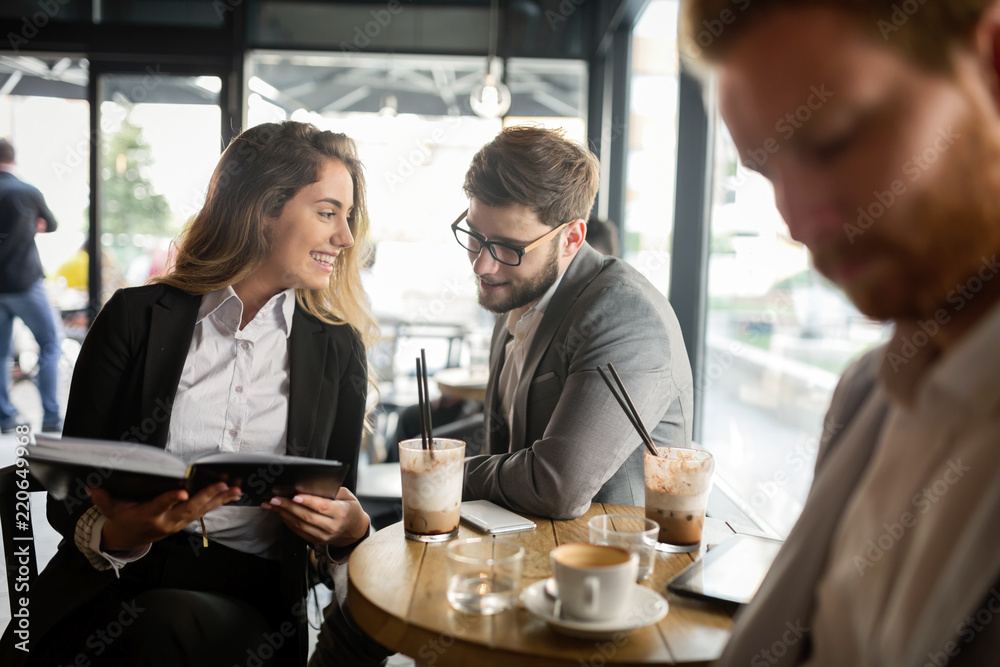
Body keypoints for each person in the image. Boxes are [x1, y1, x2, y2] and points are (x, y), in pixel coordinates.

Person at [681, 1, 1000, 664]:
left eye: (833, 141)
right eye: (767, 172)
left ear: (991, 65)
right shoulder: (867, 395)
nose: (800, 220)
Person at [0, 121, 377, 666]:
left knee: (163, 627)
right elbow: (74, 489)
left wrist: (349, 533)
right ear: (263, 209)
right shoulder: (133, 319)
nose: (344, 236)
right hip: (112, 574)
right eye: (327, 212)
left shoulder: (337, 350)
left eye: (347, 216)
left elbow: (331, 509)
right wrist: (119, 532)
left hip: (249, 597)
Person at [456, 126, 694, 519]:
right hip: (521, 552)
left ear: (571, 238)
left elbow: (557, 486)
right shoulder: (515, 288)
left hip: (611, 566)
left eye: (509, 248)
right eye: (475, 236)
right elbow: (503, 452)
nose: (483, 264)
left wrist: (449, 473)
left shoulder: (625, 317)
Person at [0, 138, 63, 433]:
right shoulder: (26, 192)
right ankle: (51, 416)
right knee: (50, 343)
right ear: (13, 159)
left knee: (0, 352)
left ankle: (4, 416)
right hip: (24, 283)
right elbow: (50, 223)